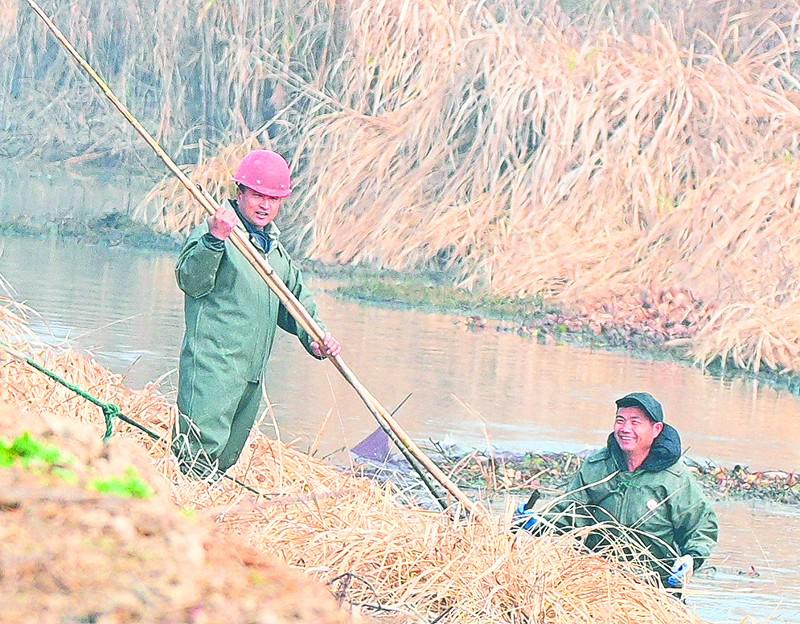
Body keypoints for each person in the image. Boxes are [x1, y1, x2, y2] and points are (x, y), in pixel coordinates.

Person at [172, 149, 341, 478]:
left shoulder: (274, 253)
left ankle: (208, 512)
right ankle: (182, 512)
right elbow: (190, 281)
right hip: (212, 367)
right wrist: (214, 239)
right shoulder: (215, 234)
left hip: (251, 374)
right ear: (240, 193)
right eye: (258, 196)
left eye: (274, 199)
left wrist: (318, 338)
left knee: (227, 454)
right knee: (197, 453)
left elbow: (295, 301)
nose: (265, 206)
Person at [515, 392, 718, 590]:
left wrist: (691, 559)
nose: (625, 428)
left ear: (656, 429)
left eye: (635, 422)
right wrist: (536, 522)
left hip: (652, 588)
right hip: (593, 581)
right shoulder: (597, 467)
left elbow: (701, 526)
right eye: (620, 420)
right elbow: (569, 514)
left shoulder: (676, 479)